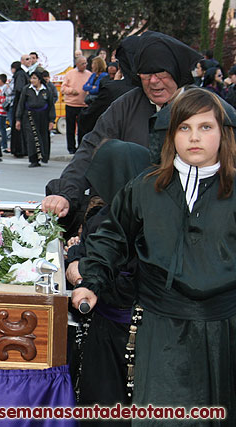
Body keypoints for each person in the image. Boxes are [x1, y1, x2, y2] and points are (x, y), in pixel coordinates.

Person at [72, 88, 236, 423]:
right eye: (184, 127)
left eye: (205, 127)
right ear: (170, 134)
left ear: (223, 133)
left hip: (225, 326)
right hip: (160, 326)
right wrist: (92, 281)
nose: (194, 137)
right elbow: (112, 238)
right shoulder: (145, 187)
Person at [42, 32, 203, 227]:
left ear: (177, 72)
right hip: (128, 218)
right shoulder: (126, 105)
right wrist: (64, 193)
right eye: (146, 74)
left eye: (161, 73)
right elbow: (91, 149)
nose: (153, 81)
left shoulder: (205, 107)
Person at [66, 140, 151, 420]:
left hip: (115, 333)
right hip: (122, 330)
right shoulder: (115, 213)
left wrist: (80, 268)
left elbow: (107, 270)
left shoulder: (117, 220)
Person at [15, 69, 56, 167]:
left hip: (43, 116)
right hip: (29, 116)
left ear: (39, 80)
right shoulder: (27, 89)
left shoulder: (46, 90)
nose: (32, 80)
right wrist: (18, 119)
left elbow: (51, 106)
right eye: (31, 78)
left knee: (43, 137)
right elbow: (21, 104)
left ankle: (43, 157)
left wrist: (51, 120)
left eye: (34, 78)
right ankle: (33, 160)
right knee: (31, 137)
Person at [61, 56, 91, 154]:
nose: (85, 65)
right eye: (82, 63)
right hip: (71, 104)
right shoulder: (70, 74)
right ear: (77, 64)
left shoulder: (89, 74)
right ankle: (71, 148)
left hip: (84, 105)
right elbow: (63, 88)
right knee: (70, 128)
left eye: (85, 63)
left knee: (82, 128)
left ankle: (81, 146)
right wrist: (71, 91)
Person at [10, 61, 28, 157]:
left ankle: (19, 150)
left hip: (19, 104)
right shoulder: (23, 74)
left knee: (18, 127)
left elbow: (18, 89)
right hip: (23, 104)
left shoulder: (19, 75)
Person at [0, 74, 11, 153]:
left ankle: (4, 145)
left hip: (2, 111)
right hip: (0, 111)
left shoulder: (5, 88)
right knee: (1, 128)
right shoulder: (0, 88)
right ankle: (2, 144)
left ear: (1, 80)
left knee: (2, 128)